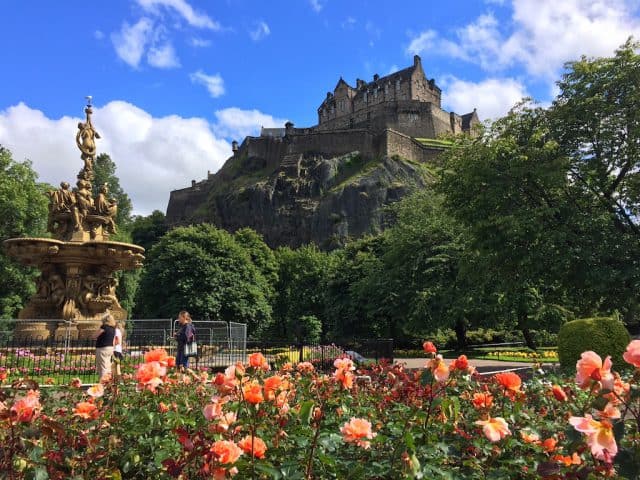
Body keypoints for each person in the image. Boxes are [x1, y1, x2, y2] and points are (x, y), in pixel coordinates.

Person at [95, 312, 116, 382]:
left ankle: (103, 383)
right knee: (108, 367)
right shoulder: (113, 329)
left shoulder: (104, 327)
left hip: (102, 348)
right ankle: (110, 381)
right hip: (110, 348)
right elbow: (113, 341)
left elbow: (95, 335)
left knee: (102, 368)